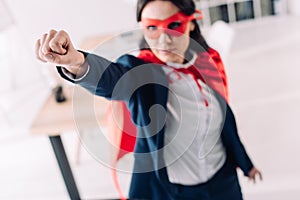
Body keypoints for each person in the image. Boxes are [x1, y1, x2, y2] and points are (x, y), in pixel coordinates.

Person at [35, 0, 262, 199]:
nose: (163, 39)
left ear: (191, 22)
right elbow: (113, 79)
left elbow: (224, 122)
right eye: (152, 28)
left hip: (223, 181)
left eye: (173, 25)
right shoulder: (143, 73)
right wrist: (76, 61)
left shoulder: (207, 64)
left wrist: (246, 164)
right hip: (174, 191)